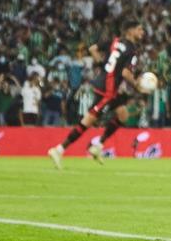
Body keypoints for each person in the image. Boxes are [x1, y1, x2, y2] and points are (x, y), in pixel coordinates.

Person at [48, 20, 146, 169]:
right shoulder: (132, 50)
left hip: (104, 84)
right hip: (108, 89)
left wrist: (102, 65)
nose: (142, 32)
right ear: (130, 31)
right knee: (88, 121)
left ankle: (98, 146)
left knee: (123, 115)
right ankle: (59, 149)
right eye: (139, 29)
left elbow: (92, 48)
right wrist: (137, 85)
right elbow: (126, 73)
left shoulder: (115, 41)